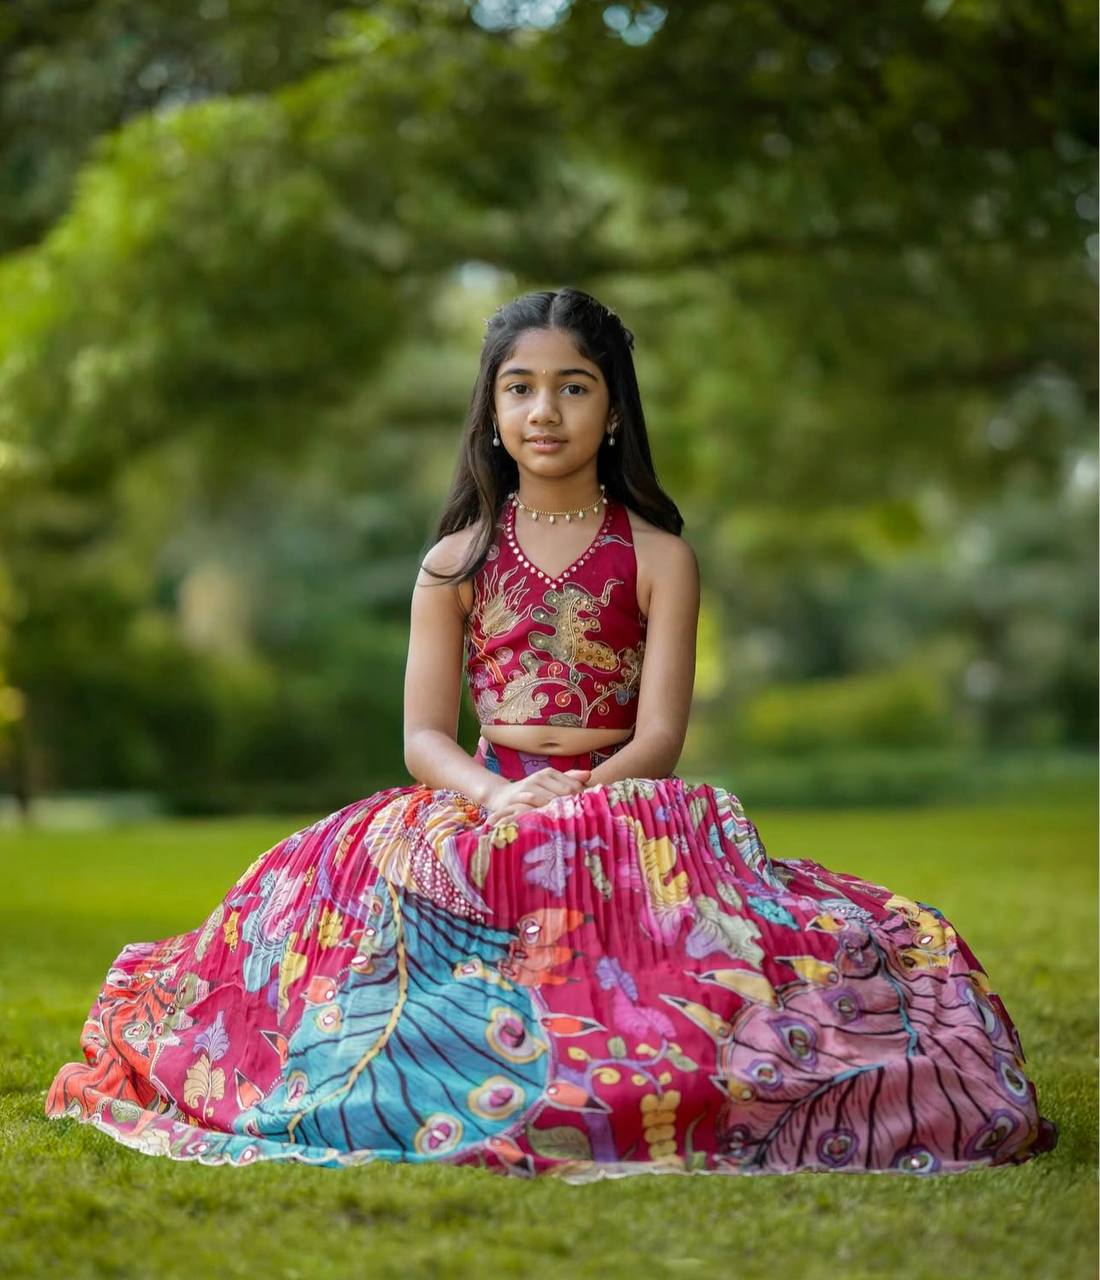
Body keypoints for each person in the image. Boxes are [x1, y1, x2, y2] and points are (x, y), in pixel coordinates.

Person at [45, 287, 1058, 1180]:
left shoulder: (660, 555)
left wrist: (578, 795)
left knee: (712, 953)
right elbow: (421, 736)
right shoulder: (452, 561)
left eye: (573, 386)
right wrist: (496, 795)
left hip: (623, 796)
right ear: (489, 408)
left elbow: (660, 730)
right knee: (347, 918)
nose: (544, 410)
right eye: (520, 387)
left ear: (613, 406)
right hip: (479, 792)